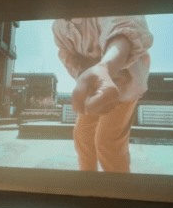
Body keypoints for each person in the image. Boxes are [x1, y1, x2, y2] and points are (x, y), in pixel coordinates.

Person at [52, 16, 154, 173]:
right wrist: (82, 75)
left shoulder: (100, 1)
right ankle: (88, 185)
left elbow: (122, 27)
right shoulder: (59, 26)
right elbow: (66, 54)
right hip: (94, 88)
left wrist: (106, 67)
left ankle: (119, 190)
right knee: (82, 136)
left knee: (107, 141)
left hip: (125, 84)